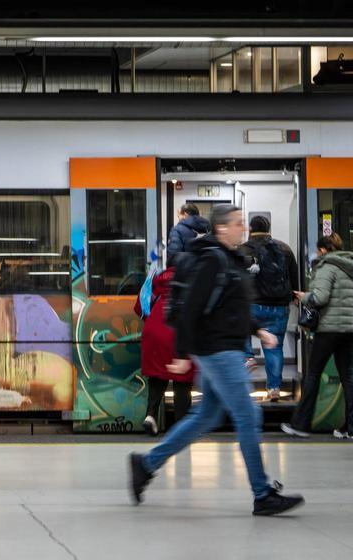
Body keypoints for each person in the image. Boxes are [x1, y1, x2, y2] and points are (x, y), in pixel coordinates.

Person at [128, 204, 304, 516]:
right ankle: (262, 494)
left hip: (220, 348)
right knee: (249, 416)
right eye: (238, 223)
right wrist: (181, 354)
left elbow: (230, 307)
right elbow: (192, 308)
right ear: (222, 228)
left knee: (206, 416)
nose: (243, 228)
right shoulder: (213, 260)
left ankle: (146, 464)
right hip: (218, 351)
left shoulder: (228, 259)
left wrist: (257, 330)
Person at [282, 233, 353, 439]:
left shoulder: (327, 266)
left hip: (328, 330)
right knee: (348, 376)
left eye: (318, 251)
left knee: (314, 374)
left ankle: (301, 424)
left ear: (324, 250)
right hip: (349, 329)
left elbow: (320, 297)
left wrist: (303, 297)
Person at [243, 216, 301, 401]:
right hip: (279, 307)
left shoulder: (243, 249)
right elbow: (294, 279)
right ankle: (274, 388)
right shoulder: (284, 249)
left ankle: (248, 358)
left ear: (250, 228)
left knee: (240, 335)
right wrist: (292, 298)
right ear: (269, 228)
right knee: (274, 348)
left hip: (251, 304)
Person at [134, 266, 193, 436]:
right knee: (182, 381)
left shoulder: (157, 279)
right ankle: (180, 426)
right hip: (177, 333)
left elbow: (139, 308)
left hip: (154, 331)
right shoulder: (189, 279)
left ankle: (151, 416)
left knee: (158, 376)